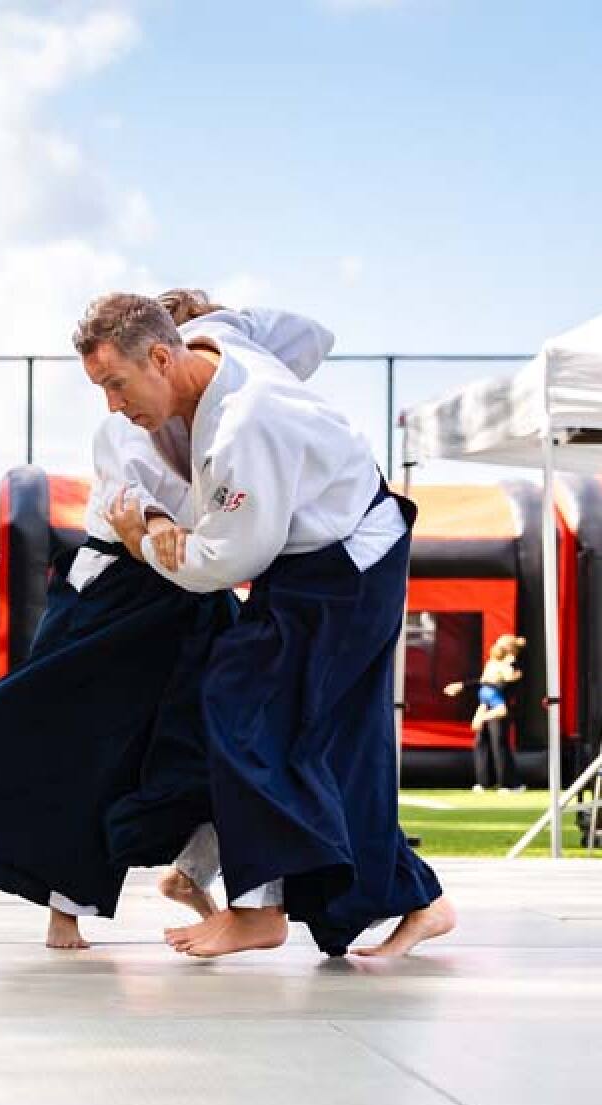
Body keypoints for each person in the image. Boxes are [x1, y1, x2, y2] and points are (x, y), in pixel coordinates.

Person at [0, 295, 334, 950]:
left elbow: (312, 335)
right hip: (120, 592)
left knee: (235, 736)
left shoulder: (232, 402)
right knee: (83, 747)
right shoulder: (128, 422)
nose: (116, 397)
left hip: (195, 593)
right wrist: (156, 524)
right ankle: (65, 905)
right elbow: (137, 507)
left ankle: (201, 873)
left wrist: (224, 335)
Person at [82, 292, 453, 959]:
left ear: (161, 357)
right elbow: (312, 333)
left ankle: (258, 911)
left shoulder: (245, 425)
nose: (113, 404)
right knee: (325, 740)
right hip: (314, 557)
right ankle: (419, 900)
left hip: (347, 562)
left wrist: (143, 542)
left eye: (117, 383)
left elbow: (228, 561)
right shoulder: (217, 336)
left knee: (240, 701)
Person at [444, 634, 526, 792]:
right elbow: (484, 684)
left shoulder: (513, 666)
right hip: (488, 704)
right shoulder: (492, 664)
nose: (496, 647)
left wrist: (466, 688)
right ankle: (485, 781)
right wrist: (479, 708)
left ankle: (510, 784)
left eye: (501, 645)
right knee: (481, 742)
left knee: (499, 743)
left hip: (501, 707)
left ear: (509, 649)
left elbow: (499, 686)